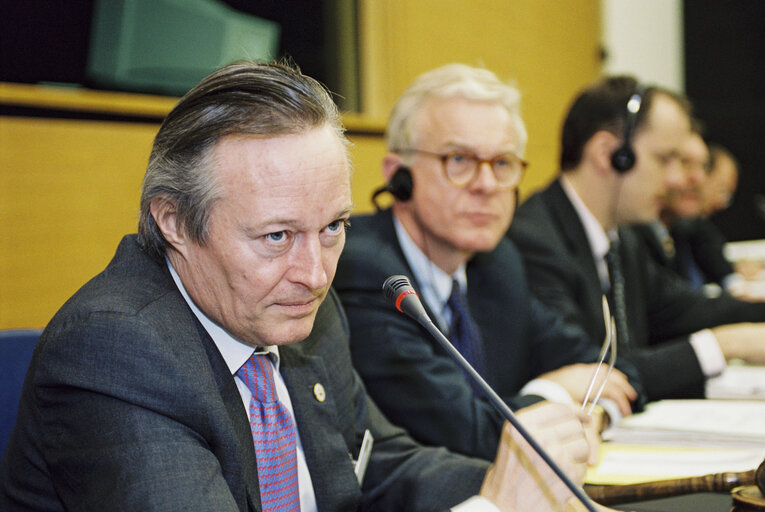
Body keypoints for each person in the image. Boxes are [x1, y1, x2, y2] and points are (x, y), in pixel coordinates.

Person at [0, 61, 601, 512]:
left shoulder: (295, 306)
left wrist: (530, 479)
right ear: (175, 222)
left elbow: (377, 464)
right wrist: (492, 507)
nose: (315, 275)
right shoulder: (117, 353)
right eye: (276, 236)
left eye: (334, 227)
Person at [333, 64, 643, 466]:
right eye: (459, 159)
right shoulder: (365, 271)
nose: (487, 185)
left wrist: (590, 405)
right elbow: (469, 433)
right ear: (398, 176)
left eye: (501, 164)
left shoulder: (498, 263)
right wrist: (554, 393)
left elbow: (608, 371)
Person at [508, 75, 765, 402]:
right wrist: (727, 345)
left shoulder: (624, 238)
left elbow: (688, 310)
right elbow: (590, 372)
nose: (677, 180)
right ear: (610, 153)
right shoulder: (533, 240)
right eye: (665, 159)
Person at [633, 127, 738, 291]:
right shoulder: (632, 239)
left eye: (703, 167)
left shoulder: (677, 231)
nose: (699, 179)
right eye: (685, 163)